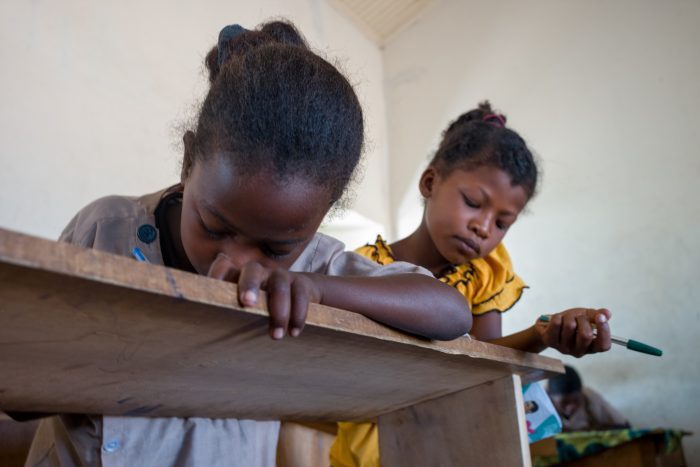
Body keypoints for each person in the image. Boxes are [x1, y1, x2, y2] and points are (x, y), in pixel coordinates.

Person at [22, 20, 472, 467]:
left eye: (275, 249)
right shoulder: (106, 229)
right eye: (214, 226)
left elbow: (450, 312)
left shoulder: (314, 266)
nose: (231, 259)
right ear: (188, 159)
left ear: (321, 216)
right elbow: (22, 392)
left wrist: (313, 288)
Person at [330, 101, 613, 466]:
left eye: (501, 223)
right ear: (430, 182)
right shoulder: (362, 266)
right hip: (370, 447)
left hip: (457, 444)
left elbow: (486, 359)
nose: (483, 228)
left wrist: (542, 334)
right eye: (473, 202)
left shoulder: (484, 273)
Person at [547, 365, 629, 432]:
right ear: (550, 396)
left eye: (576, 400)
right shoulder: (541, 403)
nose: (571, 407)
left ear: (581, 392)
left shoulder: (589, 397)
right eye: (564, 402)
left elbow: (624, 427)